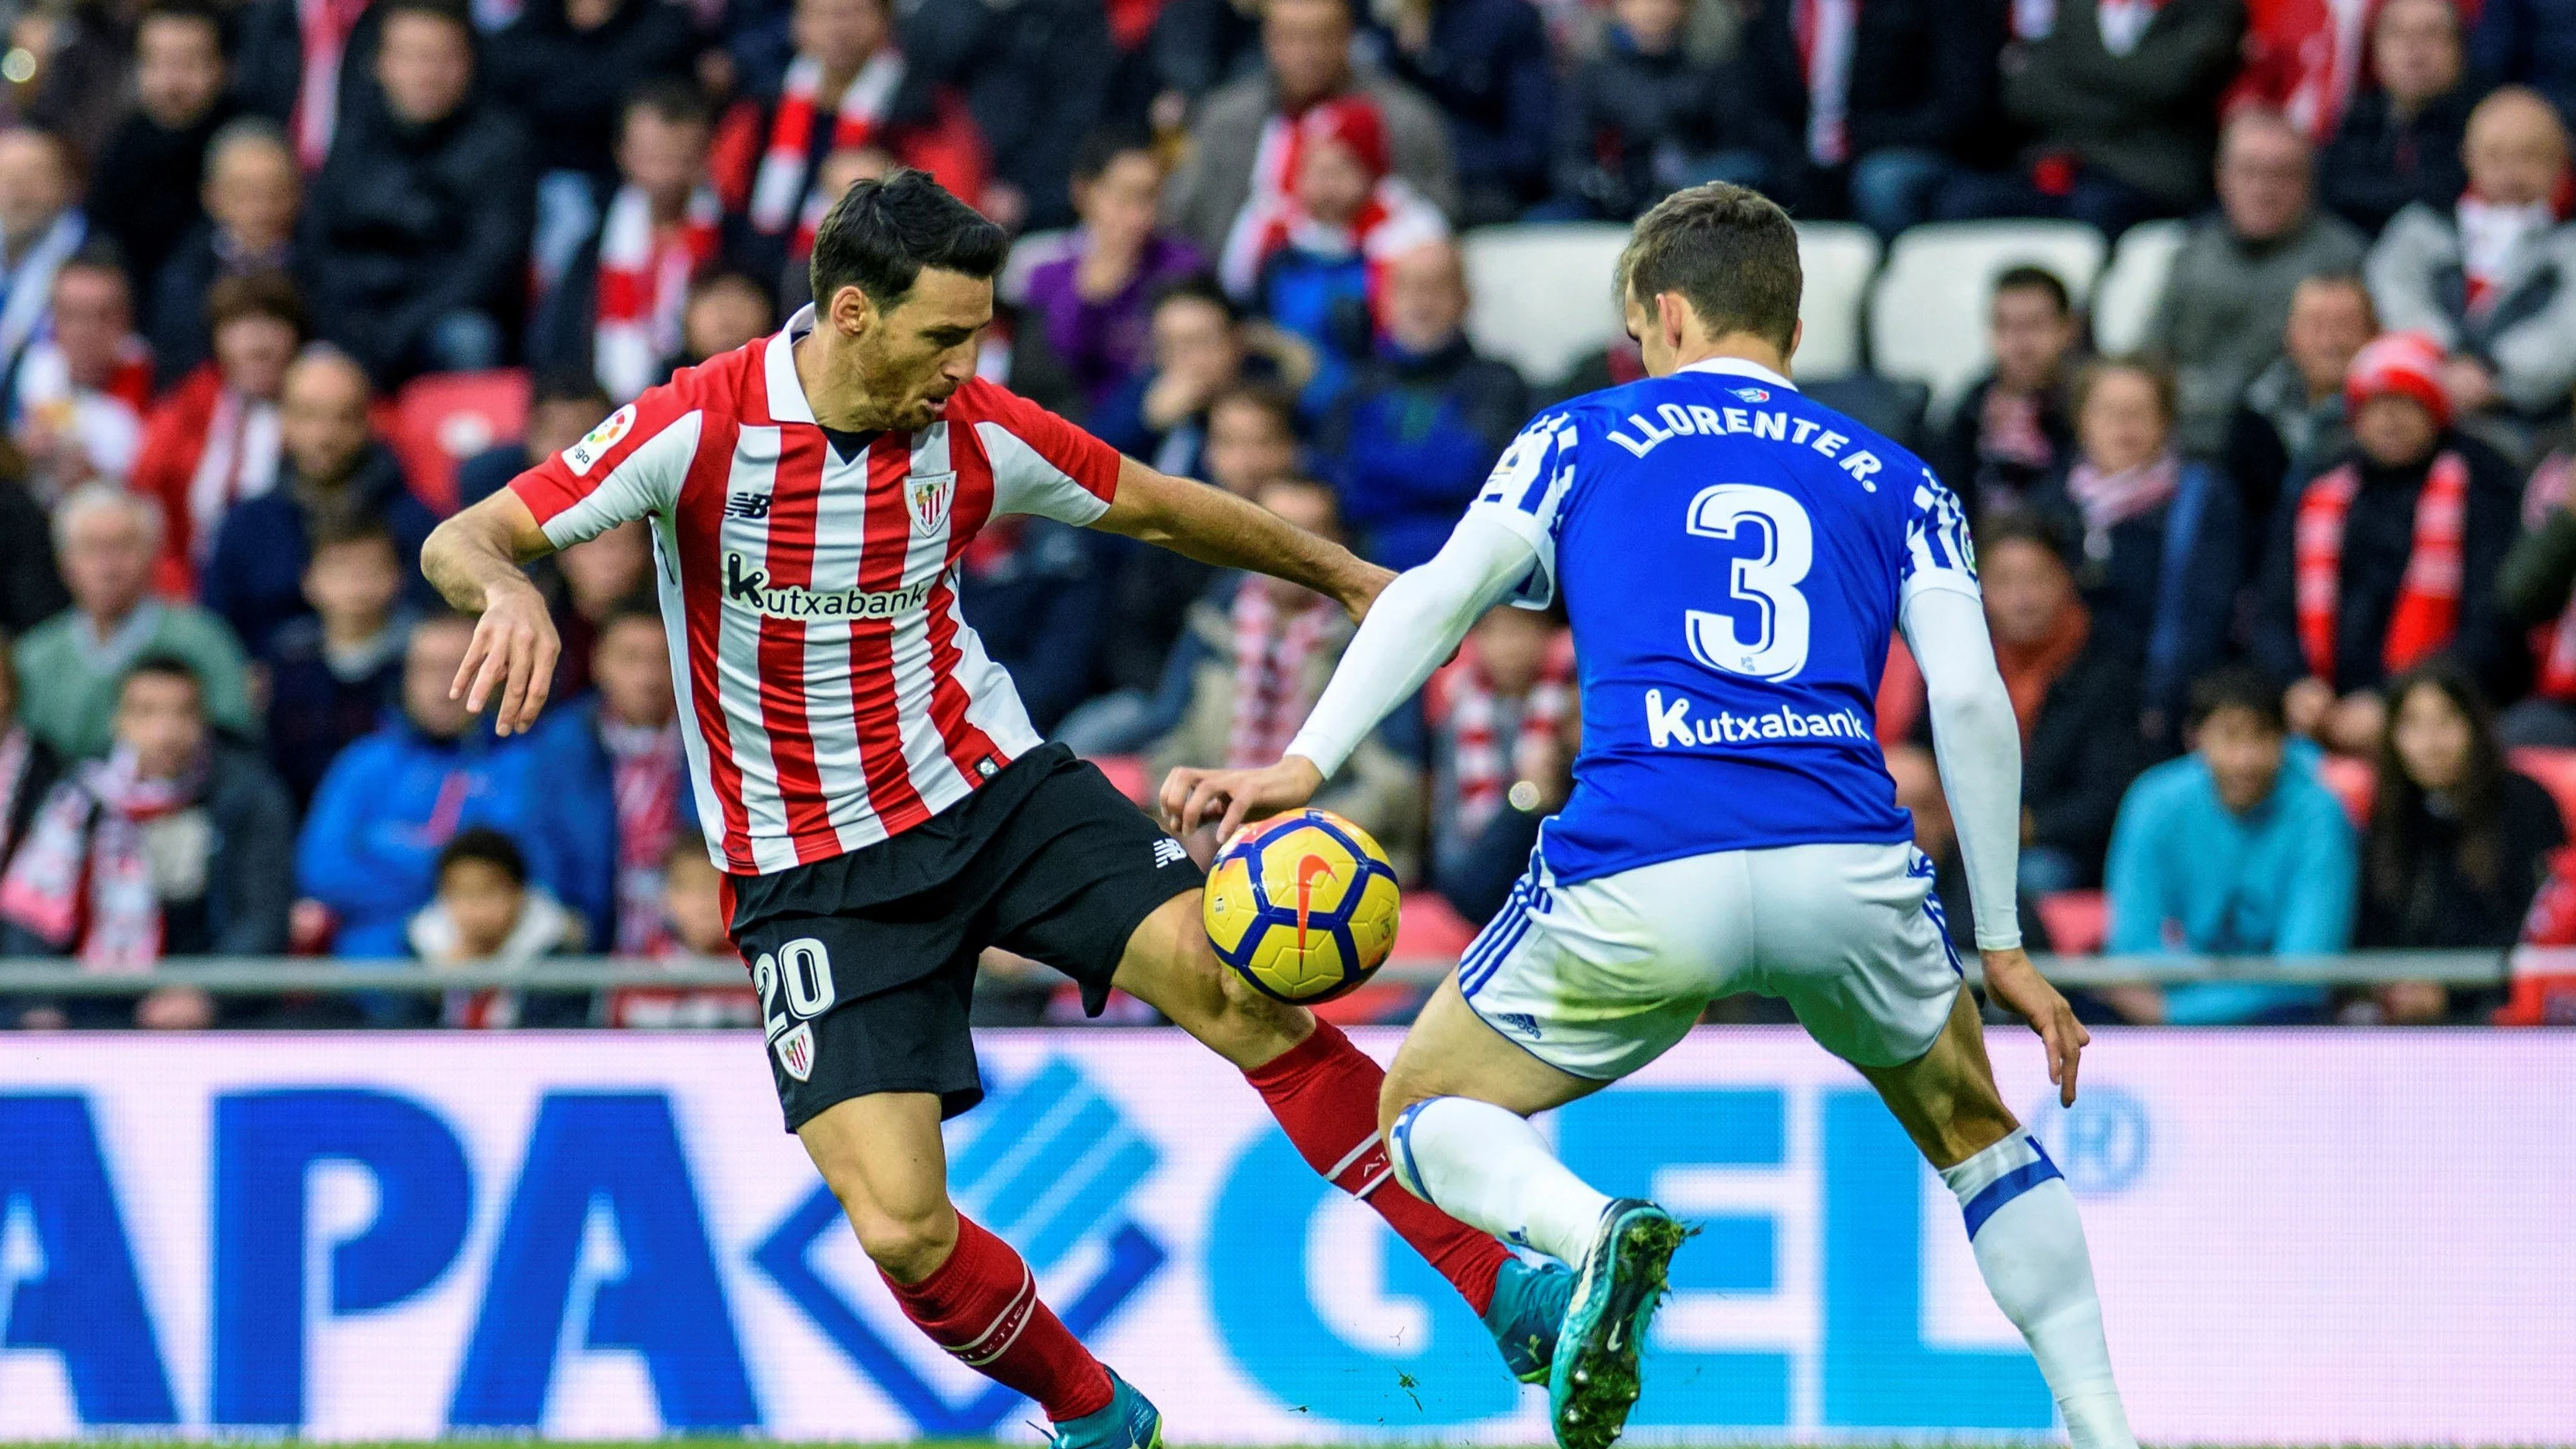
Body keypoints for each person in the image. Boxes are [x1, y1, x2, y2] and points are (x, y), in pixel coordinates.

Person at [417, 169, 1569, 1445]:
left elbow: (1158, 506)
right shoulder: (701, 424)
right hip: (809, 876)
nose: (962, 365)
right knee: (903, 1225)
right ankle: (1094, 1412)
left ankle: (1500, 1287)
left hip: (994, 792)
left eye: (975, 334)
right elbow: (464, 535)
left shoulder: (969, 429)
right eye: (939, 336)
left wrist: (1347, 573)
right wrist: (507, 588)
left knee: (1239, 988)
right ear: (850, 312)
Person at [1162, 182, 2131, 1449]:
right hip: (1842, 861)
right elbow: (1967, 693)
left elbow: (1435, 597)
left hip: (1641, 860)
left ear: (1663, 313)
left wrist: (1300, 761)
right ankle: (2107, 1427)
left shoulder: (1579, 436)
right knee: (1975, 1136)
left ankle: (1588, 1234)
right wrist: (1998, 934)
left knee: (1419, 1113)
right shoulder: (1896, 474)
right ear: (1785, 318)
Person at [2253, 331, 2523, 755]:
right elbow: (2272, 612)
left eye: (2406, 403)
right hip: (2322, 714)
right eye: (2375, 406)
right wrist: (2296, 685)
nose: (2389, 420)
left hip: (2442, 716)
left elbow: (2491, 629)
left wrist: (2397, 704)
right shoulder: (2317, 491)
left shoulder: (2483, 489)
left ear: (2435, 412)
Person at [1148, 477, 1428, 874]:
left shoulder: (1373, 640)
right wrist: (1189, 817)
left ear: (1339, 543)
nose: (1287, 548)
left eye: (1309, 533)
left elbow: (1395, 785)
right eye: (1274, 527)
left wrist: (1285, 835)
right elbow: (1166, 742)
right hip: (1210, 838)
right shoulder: (1211, 623)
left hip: (1326, 852)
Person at [0, 654, 294, 1028]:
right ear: (118, 722)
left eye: (182, 713)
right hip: (89, 1003)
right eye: (146, 713)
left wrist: (206, 993)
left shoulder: (248, 797)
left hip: (209, 1010)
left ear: (203, 721)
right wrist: (37, 1003)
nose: (165, 731)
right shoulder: (78, 799)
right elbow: (28, 915)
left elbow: (262, 920)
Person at [298, 612, 613, 958]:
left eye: (461, 667)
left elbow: (536, 872)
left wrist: (386, 850)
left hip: (504, 967)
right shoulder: (363, 762)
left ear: (498, 674)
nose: (444, 686)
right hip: (373, 973)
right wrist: (440, 907)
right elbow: (322, 870)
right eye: (426, 668)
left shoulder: (532, 764)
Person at [2101, 664, 2358, 1024]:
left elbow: (2305, 973)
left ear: (2285, 740)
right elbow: (2130, 945)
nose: (2246, 758)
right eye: (2230, 736)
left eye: (2261, 736)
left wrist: (2175, 1013)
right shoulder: (2153, 801)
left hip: (2277, 1019)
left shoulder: (2321, 813)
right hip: (2187, 996)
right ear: (2196, 738)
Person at [303, 0, 536, 385]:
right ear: (380, 64)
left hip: (439, 316)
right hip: (358, 312)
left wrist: (401, 328)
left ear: (469, 63)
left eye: (441, 58)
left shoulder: (503, 146)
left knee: (468, 337)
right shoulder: (353, 134)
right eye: (410, 57)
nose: (426, 75)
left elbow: (491, 266)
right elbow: (320, 241)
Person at [2029, 357, 2239, 745]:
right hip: (2058, 711)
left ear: (2166, 421)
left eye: (2140, 412)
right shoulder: (2048, 507)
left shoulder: (2202, 501)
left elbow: (2208, 622)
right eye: (2109, 412)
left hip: (2155, 714)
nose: (2124, 426)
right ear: (2081, 421)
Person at [2147, 108, 2366, 458]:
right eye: (2248, 172)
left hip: (2283, 445)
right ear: (2222, 177)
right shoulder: (2194, 251)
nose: (2262, 189)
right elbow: (2153, 353)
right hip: (2174, 439)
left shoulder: (2341, 259)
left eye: (2280, 175)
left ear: (2308, 181)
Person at [712, 0, 988, 278]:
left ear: (885, 21)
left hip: (877, 282)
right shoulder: (761, 106)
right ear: (797, 25)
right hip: (758, 280)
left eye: (852, 14)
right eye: (821, 15)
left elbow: (953, 213)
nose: (837, 29)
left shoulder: (922, 108)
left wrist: (888, 190)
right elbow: (722, 194)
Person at [1164, 0, 1457, 258]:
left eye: (1320, 38)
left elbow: (1436, 222)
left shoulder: (1402, 118)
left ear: (1347, 37)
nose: (1306, 53)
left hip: (1369, 295)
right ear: (1269, 40)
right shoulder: (1224, 119)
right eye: (1291, 38)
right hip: (1238, 299)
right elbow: (1188, 218)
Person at [2354, 663, 2563, 1021]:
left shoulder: (2526, 804)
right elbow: (2370, 926)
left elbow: (2537, 926)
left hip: (2499, 1015)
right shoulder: (2389, 815)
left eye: (2446, 722)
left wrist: (2449, 993)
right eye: (2412, 725)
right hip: (2400, 1015)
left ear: (2475, 728)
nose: (2430, 743)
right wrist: (2388, 986)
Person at [201, 347, 439, 657]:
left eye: (344, 417)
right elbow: (216, 633)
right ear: (284, 420)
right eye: (308, 415)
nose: (325, 436)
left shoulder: (417, 525)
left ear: (368, 422)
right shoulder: (246, 525)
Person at [1935, 0, 2245, 236]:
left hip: (2148, 177)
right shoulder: (2074, 7)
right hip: (2058, 167)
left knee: (2095, 211)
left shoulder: (2210, 8)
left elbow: (2172, 82)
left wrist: (2078, 72)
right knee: (1963, 204)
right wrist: (2135, 91)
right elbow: (2025, 93)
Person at [2365, 87, 2576, 426]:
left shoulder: (2568, 249)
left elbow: (2567, 333)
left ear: (2559, 164)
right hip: (2415, 406)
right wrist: (2441, 361)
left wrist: (2496, 372)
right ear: (2468, 156)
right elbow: (2394, 294)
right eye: (2496, 155)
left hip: (2528, 423)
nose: (2512, 173)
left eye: (2532, 156)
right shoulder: (2420, 231)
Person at [1962, 511, 2142, 892]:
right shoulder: (1960, 663)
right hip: (1968, 839)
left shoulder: (2105, 671)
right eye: (2004, 582)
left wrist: (2028, 825)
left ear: (2065, 579)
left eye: (2036, 580)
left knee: (2027, 878)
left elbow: (2110, 798)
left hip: (2061, 851)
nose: (2021, 599)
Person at [1319, 240, 1526, 571]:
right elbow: (1334, 484)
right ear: (1385, 301)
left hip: (1469, 570)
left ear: (1465, 299)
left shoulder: (1499, 383)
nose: (1421, 304)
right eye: (1407, 289)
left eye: (1436, 289)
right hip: (1362, 567)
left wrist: (1378, 476)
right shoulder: (1357, 386)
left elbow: (1469, 475)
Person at [538, 82, 747, 404]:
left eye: (681, 159)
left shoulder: (737, 246)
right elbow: (562, 344)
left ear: (707, 154)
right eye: (653, 158)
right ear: (624, 155)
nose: (666, 175)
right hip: (605, 413)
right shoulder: (594, 249)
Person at [1219, 95, 1450, 383]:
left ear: (1372, 173)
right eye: (1314, 170)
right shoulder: (1275, 237)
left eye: (1340, 169)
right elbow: (1248, 316)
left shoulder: (1409, 236)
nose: (1325, 185)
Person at [13, 485, 255, 761]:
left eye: (123, 546)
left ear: (153, 555)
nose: (107, 567)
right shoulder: (34, 658)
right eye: (90, 548)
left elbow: (237, 745)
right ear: (64, 562)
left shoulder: (203, 641)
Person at [1726, 0, 2003, 236]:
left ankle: (1889, 289)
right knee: (1719, 184)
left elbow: (1961, 104)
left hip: (1903, 152)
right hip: (1794, 156)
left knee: (1881, 186)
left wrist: (1860, 144)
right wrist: (1794, 158)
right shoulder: (1778, 8)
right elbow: (1751, 103)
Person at [484, 0, 696, 301]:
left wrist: (555, 91)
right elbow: (503, 81)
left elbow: (666, 98)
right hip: (540, 178)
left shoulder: (663, 24)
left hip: (623, 182)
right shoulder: (530, 25)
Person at [526, 599, 683, 952]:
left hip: (698, 930)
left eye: (662, 658)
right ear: (600, 664)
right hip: (589, 936)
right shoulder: (560, 745)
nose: (648, 677)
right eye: (631, 659)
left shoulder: (715, 741)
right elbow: (542, 845)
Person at [133, 272, 307, 589]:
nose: (257, 345)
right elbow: (147, 509)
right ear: (216, 339)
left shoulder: (321, 411)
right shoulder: (182, 411)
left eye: (274, 323)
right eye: (238, 326)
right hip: (190, 594)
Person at [1019, 129, 1208, 409]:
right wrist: (1088, 295)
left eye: (1150, 198)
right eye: (1125, 198)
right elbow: (1041, 380)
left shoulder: (1184, 268)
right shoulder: (1046, 277)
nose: (1138, 217)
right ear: (1084, 193)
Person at [2219, 271, 2378, 568]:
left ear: (2373, 334)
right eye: (2315, 326)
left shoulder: (2395, 420)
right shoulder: (2255, 417)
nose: (2330, 341)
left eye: (2345, 325)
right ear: (2289, 336)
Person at [88, 0, 233, 307]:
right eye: (157, 62)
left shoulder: (244, 149)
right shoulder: (121, 147)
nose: (172, 82)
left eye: (189, 63)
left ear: (221, 67)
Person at [264, 519, 414, 809]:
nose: (356, 586)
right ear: (309, 580)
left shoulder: (416, 657)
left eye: (370, 570)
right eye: (340, 570)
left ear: (398, 576)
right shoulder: (288, 657)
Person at [1424, 602, 1570, 892]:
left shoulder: (1570, 709)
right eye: (1495, 632)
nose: (1509, 647)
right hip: (1480, 876)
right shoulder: (1457, 717)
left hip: (1555, 873)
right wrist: (1528, 795)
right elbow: (1450, 850)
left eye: (1522, 629)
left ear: (1548, 634)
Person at [148, 120, 306, 385]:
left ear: (298, 195)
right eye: (245, 193)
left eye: (275, 192)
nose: (262, 209)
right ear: (212, 197)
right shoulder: (182, 280)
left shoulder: (326, 273)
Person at [1546, 0, 1730, 223]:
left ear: (1683, 9)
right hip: (1605, 211)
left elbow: (1731, 156)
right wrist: (1595, 184)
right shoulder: (1593, 78)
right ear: (1619, 6)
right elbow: (1567, 158)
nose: (1654, 8)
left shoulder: (1707, 77)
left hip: (1692, 211)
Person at [1374, 0, 1554, 225]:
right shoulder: (1388, 25)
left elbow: (1528, 147)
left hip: (1484, 188)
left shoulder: (1505, 17)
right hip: (1411, 187)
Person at [2321, 0, 2484, 236]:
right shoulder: (2358, 116)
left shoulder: (2483, 122)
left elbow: (2443, 199)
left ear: (2459, 48)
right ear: (2375, 52)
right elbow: (2332, 189)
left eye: (2431, 34)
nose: (2414, 49)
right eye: (2397, 34)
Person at [407, 826, 594, 1028]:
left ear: (519, 893)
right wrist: (433, 987)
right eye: (461, 893)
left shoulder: (559, 965)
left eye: (488, 892)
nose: (474, 908)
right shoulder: (420, 952)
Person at [1934, 266, 2079, 517]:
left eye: (2035, 325)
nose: (2020, 343)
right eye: (2004, 326)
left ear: (2068, 329)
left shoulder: (2086, 408)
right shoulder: (1969, 411)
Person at [9, 250, 153, 501]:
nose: (84, 331)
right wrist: (22, 456)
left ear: (126, 319)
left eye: (102, 315)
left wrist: (94, 478)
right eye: (70, 314)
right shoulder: (31, 368)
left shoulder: (157, 385)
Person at [604, 828, 764, 1027]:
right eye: (686, 887)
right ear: (665, 897)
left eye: (711, 885)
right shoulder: (635, 969)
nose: (701, 903)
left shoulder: (757, 968)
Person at [0, 129, 89, 392]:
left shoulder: (88, 258)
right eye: (7, 176)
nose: (19, 191)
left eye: (33, 176)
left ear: (66, 186)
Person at [454, 374, 611, 509]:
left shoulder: (626, 483)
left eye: (585, 437)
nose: (572, 451)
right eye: (562, 435)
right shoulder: (486, 480)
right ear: (531, 432)